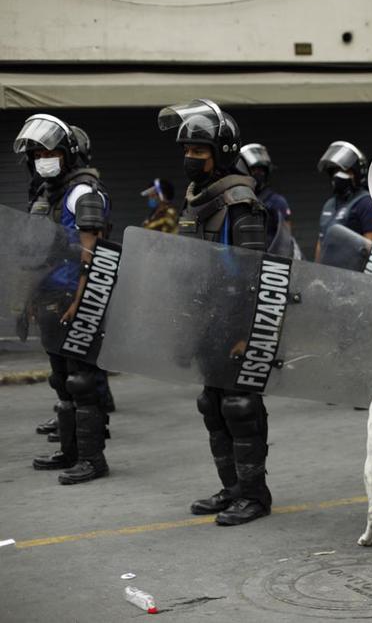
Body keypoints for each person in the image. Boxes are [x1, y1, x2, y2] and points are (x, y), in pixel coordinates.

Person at [160, 98, 272, 524]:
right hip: (206, 322)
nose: (190, 159)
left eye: (199, 152)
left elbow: (253, 274)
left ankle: (255, 497)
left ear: (222, 153)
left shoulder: (239, 203)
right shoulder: (198, 200)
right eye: (187, 151)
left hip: (235, 323)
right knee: (212, 404)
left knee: (240, 407)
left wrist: (246, 331)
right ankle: (232, 489)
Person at [15, 115, 112, 484]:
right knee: (62, 380)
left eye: (50, 150)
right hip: (50, 297)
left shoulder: (83, 192)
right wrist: (28, 297)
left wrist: (83, 300)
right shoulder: (45, 193)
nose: (43, 157)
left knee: (82, 381)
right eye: (37, 151)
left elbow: (92, 251)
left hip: (76, 297)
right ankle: (70, 451)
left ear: (67, 154)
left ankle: (92, 459)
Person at [313, 141, 372, 262]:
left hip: (352, 275)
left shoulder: (366, 203)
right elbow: (321, 242)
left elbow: (371, 248)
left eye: (344, 170)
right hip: (328, 274)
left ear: (356, 173)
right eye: (335, 171)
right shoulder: (329, 205)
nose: (338, 175)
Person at [239, 143, 294, 248]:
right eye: (254, 169)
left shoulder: (276, 201)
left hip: (269, 259)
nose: (258, 173)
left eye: (261, 170)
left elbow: (286, 239)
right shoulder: (237, 199)